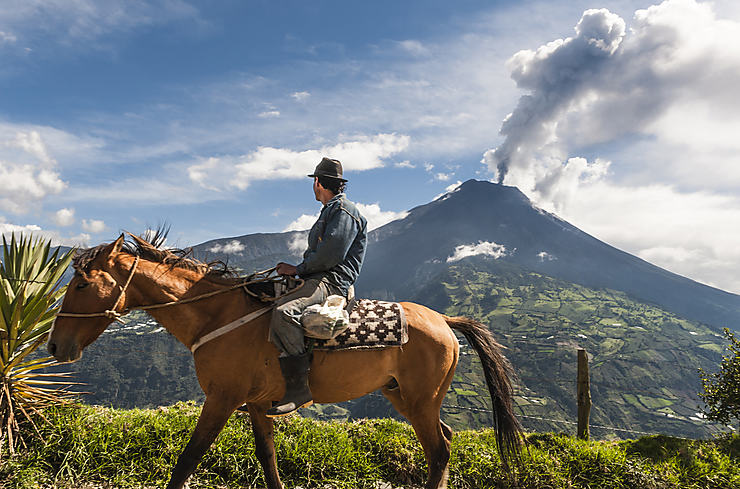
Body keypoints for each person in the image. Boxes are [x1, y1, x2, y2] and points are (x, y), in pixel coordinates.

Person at [266, 157, 367, 417]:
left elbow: (330, 255)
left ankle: (299, 390)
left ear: (318, 183)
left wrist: (297, 269)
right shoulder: (333, 209)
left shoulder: (344, 211)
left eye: (314, 182)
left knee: (283, 313)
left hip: (331, 281)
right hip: (318, 277)